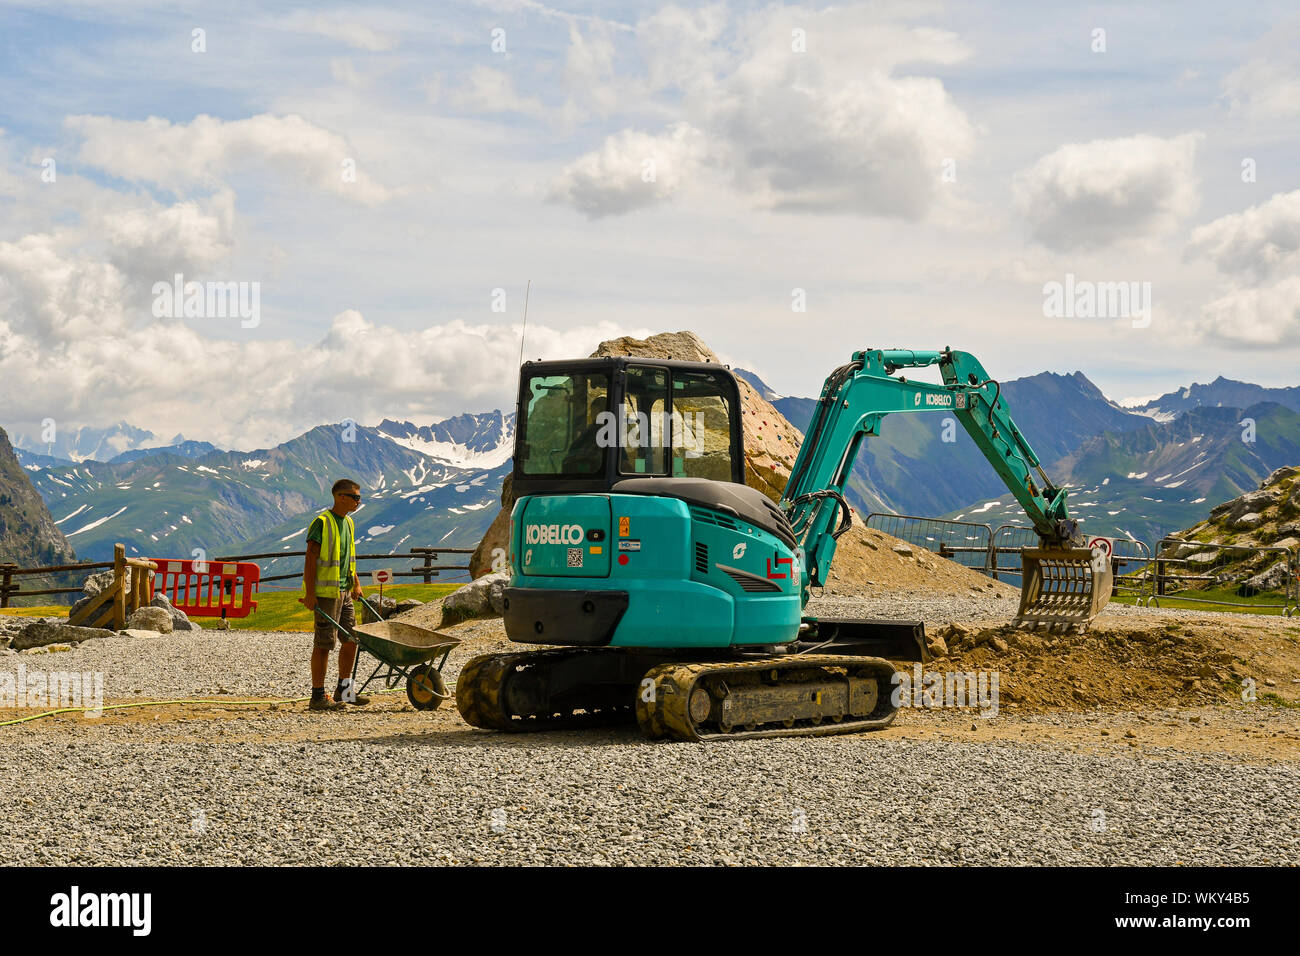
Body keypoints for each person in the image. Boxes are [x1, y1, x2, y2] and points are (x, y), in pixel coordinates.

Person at [300, 478, 369, 710]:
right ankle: (317, 696)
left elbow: (348, 558)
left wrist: (356, 583)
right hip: (326, 592)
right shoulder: (322, 522)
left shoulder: (348, 523)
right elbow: (310, 558)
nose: (359, 501)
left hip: (345, 590)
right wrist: (310, 594)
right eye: (355, 497)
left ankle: (344, 690)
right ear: (341, 497)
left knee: (351, 639)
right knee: (324, 643)